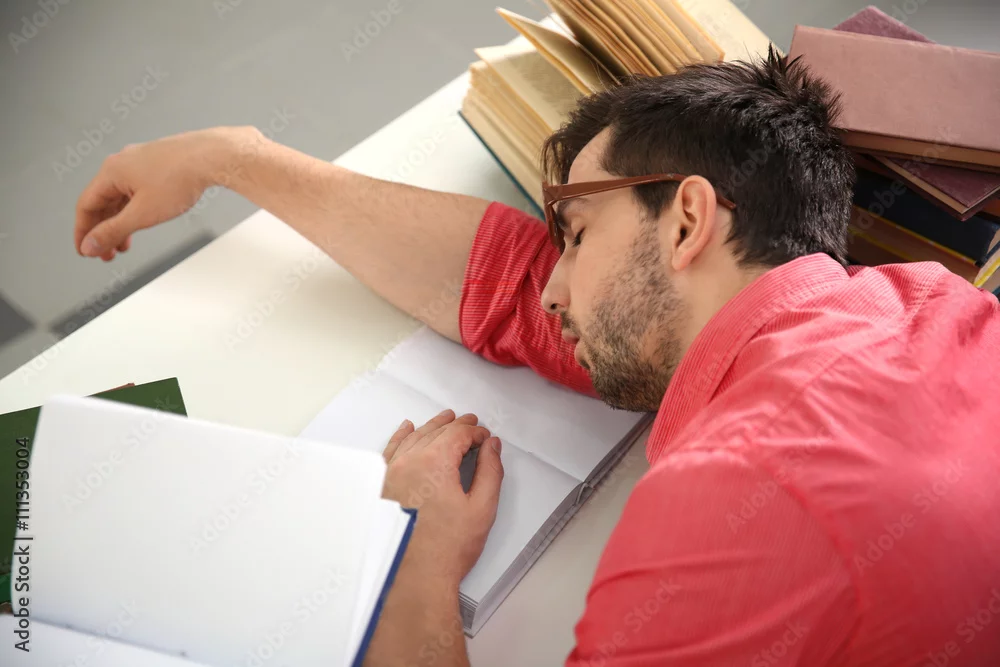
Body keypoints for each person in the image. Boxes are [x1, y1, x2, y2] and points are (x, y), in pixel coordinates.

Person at [74, 51, 1000, 666]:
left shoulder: (741, 496)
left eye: (576, 233)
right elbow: (508, 288)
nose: (552, 288)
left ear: (686, 219)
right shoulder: (925, 303)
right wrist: (234, 158)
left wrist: (412, 559)